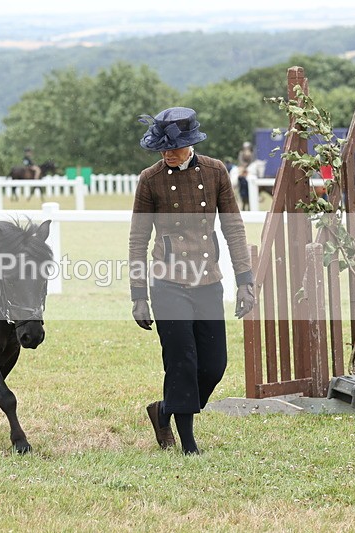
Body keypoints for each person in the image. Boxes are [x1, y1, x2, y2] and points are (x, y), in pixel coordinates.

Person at [129, 107, 255, 455]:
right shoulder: (150, 179)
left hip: (208, 280)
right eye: (163, 149)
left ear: (191, 144)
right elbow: (138, 239)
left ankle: (164, 410)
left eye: (174, 147)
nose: (168, 154)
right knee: (182, 361)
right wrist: (138, 295)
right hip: (167, 282)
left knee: (214, 365)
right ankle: (188, 443)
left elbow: (233, 227)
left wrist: (245, 280)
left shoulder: (215, 172)